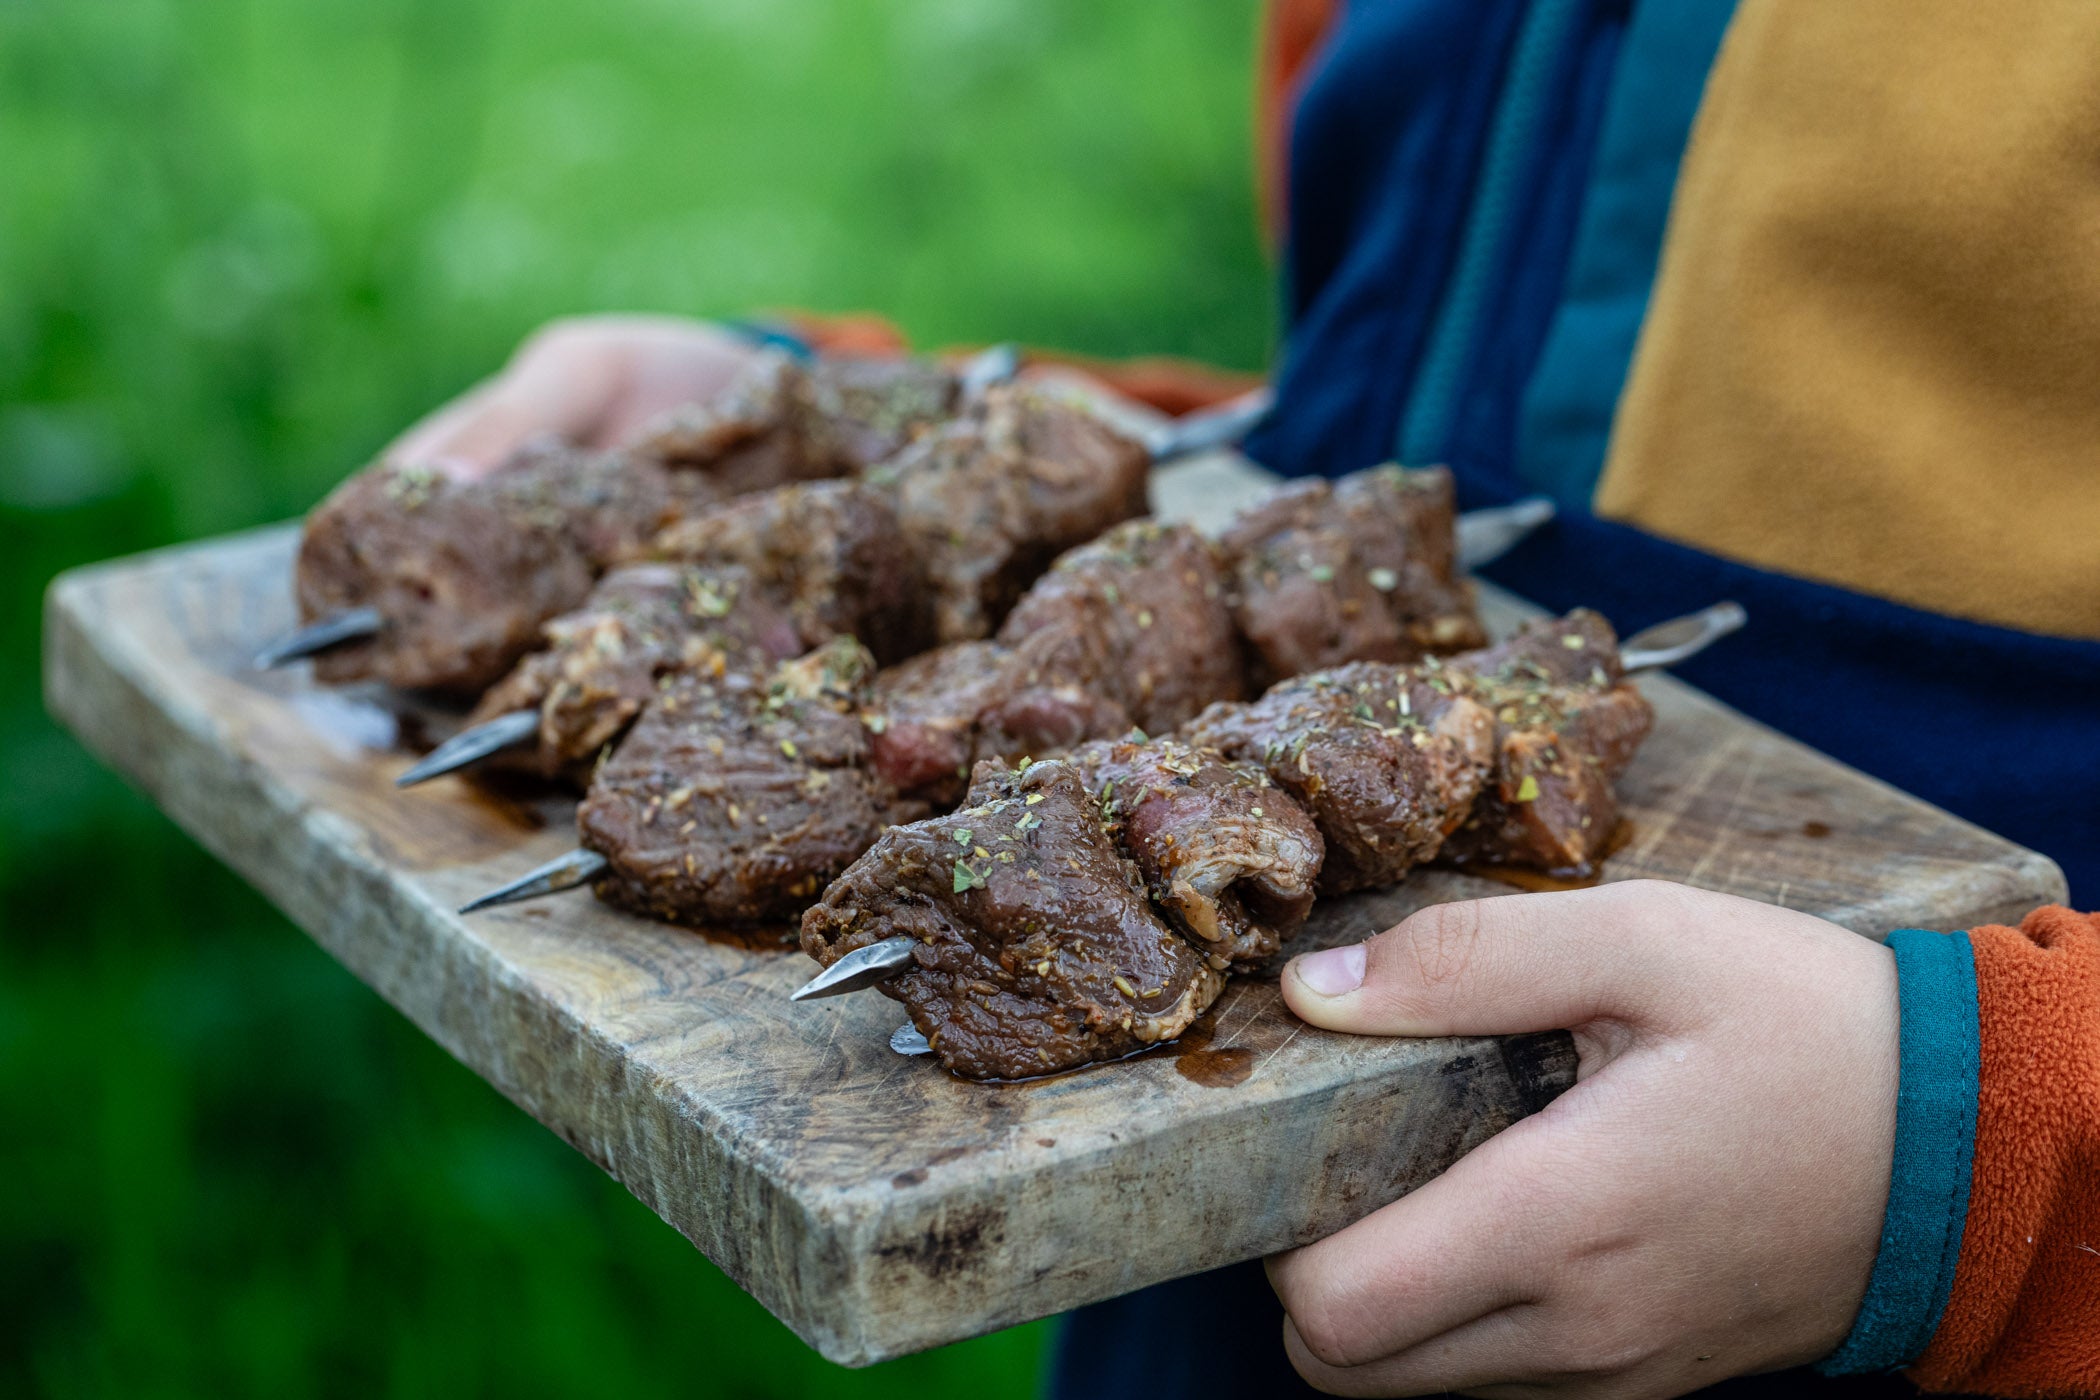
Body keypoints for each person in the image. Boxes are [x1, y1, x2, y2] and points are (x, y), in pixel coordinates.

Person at [381, 1, 2098, 1395]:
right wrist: (854, 433)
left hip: (1893, 1234)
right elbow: (1338, 415)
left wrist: (1980, 1152)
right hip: (1214, 1279)